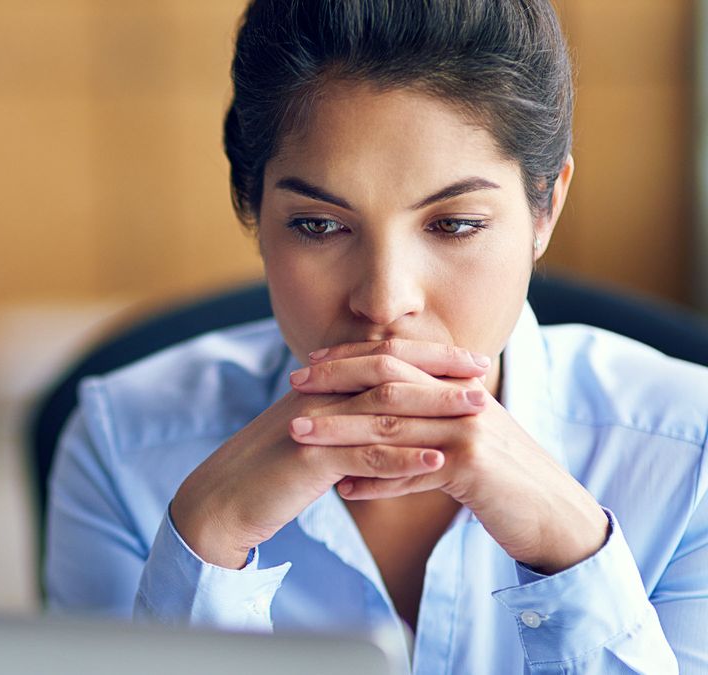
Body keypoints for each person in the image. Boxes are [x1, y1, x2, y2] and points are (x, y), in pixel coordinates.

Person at [44, 0, 708, 672]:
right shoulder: (120, 443)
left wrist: (574, 554)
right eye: (319, 225)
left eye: (453, 225)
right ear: (251, 207)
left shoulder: (691, 455)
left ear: (546, 207)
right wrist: (205, 548)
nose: (385, 302)